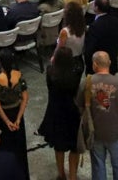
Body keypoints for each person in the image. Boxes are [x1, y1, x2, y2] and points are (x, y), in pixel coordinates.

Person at [81, 51, 118, 180]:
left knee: (98, 166)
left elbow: (80, 107)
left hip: (96, 133)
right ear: (109, 63)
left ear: (94, 65)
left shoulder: (86, 84)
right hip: (116, 133)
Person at [38, 46, 85, 180]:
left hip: (55, 111)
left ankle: (61, 174)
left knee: (59, 146)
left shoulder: (51, 73)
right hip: (72, 111)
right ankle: (73, 176)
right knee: (73, 146)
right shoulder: (76, 72)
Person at [0, 50, 30, 179]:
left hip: (2, 117)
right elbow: (24, 98)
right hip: (16, 112)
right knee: (19, 147)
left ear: (0, 63)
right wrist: (17, 119)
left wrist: (6, 122)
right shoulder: (19, 76)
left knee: (3, 147)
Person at [84, 0, 118, 74]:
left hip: (99, 63)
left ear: (97, 8)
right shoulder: (115, 20)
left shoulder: (95, 26)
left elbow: (90, 48)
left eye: (93, 4)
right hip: (111, 57)